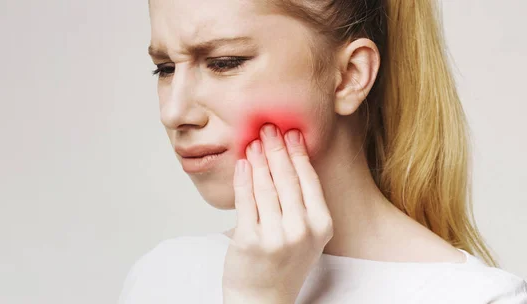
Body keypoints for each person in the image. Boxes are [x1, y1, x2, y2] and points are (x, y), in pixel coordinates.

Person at [119, 0, 527, 303]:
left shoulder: (477, 299)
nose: (173, 112)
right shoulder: (160, 277)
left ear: (349, 76)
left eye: (224, 62)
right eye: (165, 68)